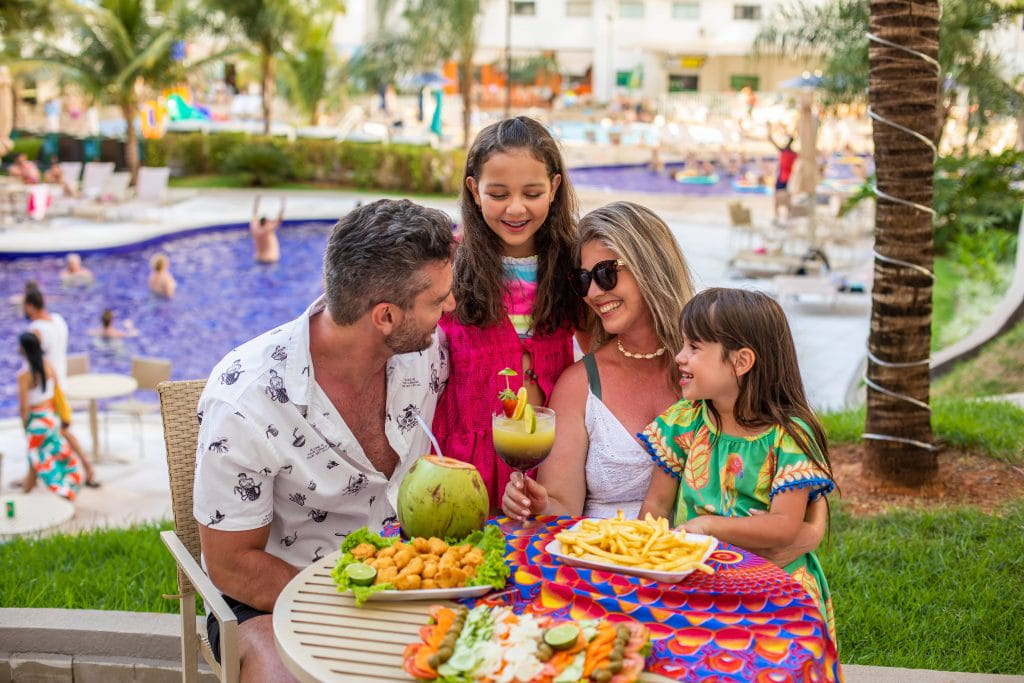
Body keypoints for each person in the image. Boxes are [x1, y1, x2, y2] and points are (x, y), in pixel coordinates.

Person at [193, 199, 455, 681]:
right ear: (385, 316)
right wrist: (347, 606)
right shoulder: (246, 401)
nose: (451, 307)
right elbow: (231, 566)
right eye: (438, 300)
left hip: (404, 583)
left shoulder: (427, 353)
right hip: (272, 598)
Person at [638, 287, 838, 642]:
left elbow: (783, 527)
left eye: (694, 347)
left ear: (742, 362)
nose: (680, 357)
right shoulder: (684, 421)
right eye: (683, 344)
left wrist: (707, 526)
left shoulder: (788, 436)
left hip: (777, 586)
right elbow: (656, 504)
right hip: (702, 577)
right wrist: (651, 559)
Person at [500, 201, 694, 521]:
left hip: (699, 563)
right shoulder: (580, 385)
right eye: (583, 279)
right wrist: (538, 505)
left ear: (650, 265)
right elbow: (561, 505)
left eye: (606, 273)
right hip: (601, 564)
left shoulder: (713, 366)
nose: (592, 293)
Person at [431, 116, 584, 511]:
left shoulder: (575, 268)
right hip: (462, 470)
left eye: (532, 193)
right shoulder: (447, 268)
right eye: (498, 194)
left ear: (554, 187)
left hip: (551, 468)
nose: (515, 208)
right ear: (474, 190)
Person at [23, 284, 99, 487]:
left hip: (46, 388)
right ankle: (32, 476)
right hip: (59, 383)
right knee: (58, 429)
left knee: (54, 431)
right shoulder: (58, 320)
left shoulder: (36, 330)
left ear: (30, 306)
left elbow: (34, 358)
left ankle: (87, 468)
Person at [17, 332, 82, 500]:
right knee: (43, 458)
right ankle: (27, 490)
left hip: (37, 421)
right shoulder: (48, 366)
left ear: (25, 349)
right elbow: (56, 392)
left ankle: (64, 492)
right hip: (50, 417)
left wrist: (25, 427)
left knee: (41, 460)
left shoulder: (24, 376)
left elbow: (23, 408)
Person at [769, 126, 798, 222]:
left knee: (778, 198)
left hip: (782, 178)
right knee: (787, 197)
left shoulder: (784, 151)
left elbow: (772, 141)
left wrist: (770, 130)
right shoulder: (794, 154)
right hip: (788, 178)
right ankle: (787, 215)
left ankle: (778, 215)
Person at [250, 195, 285, 264]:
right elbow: (279, 219)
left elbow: (254, 214)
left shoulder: (255, 228)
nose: (270, 222)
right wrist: (283, 204)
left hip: (258, 259)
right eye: (269, 221)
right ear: (266, 223)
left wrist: (257, 200)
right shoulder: (267, 230)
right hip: (270, 260)